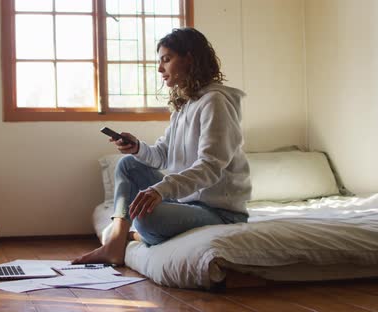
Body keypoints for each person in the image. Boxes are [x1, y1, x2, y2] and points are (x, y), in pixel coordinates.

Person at [72, 27, 252, 265]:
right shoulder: (185, 105)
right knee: (128, 164)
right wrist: (137, 148)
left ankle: (126, 237)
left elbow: (210, 167)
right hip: (186, 203)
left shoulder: (215, 102)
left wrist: (161, 190)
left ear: (189, 59)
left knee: (147, 219)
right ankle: (115, 242)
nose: (160, 69)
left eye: (166, 60)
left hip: (218, 212)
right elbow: (161, 156)